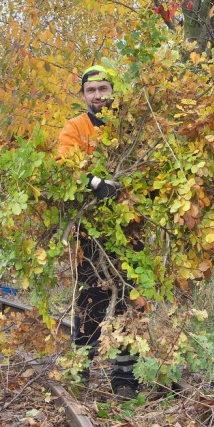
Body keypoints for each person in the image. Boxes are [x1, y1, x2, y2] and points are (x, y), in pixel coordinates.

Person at [56, 64, 140, 400]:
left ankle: (125, 380)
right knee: (91, 303)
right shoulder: (76, 128)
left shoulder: (131, 127)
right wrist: (95, 183)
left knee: (130, 304)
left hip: (131, 231)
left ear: (113, 91)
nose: (98, 96)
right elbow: (62, 165)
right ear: (83, 95)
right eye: (91, 91)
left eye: (103, 89)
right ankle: (80, 372)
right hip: (90, 235)